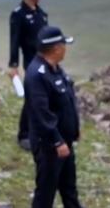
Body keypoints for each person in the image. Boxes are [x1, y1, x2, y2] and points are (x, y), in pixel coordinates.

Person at [24, 26, 82, 208]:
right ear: (57, 48)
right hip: (49, 145)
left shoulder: (55, 69)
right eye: (64, 44)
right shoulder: (36, 75)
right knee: (45, 193)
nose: (65, 48)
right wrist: (57, 141)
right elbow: (41, 113)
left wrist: (75, 129)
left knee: (69, 188)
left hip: (66, 142)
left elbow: (67, 101)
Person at [9, 0, 49, 151]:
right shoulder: (19, 14)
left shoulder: (41, 13)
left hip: (46, 60)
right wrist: (13, 64)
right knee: (32, 97)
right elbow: (15, 39)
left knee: (45, 97)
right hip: (31, 61)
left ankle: (40, 130)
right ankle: (24, 134)